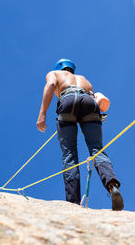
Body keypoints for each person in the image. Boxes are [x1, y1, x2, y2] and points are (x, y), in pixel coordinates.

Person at [36, 59, 124, 211]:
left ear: (59, 67)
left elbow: (50, 85)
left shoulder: (54, 73)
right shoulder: (84, 80)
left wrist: (42, 113)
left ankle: (73, 202)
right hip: (89, 102)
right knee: (97, 148)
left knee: (69, 153)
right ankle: (112, 185)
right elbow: (97, 99)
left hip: (68, 100)